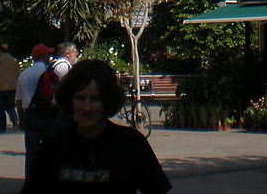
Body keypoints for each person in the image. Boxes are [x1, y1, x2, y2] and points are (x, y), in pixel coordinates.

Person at [22, 58, 171, 193]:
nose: (87, 108)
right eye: (80, 98)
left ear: (107, 101)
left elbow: (157, 188)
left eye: (95, 99)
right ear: (70, 100)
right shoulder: (53, 148)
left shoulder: (131, 144)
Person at [16, 44, 55, 178]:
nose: (49, 57)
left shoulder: (24, 74)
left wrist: (20, 119)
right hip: (47, 114)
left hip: (29, 114)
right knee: (49, 150)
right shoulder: (49, 73)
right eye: (48, 54)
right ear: (44, 56)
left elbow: (19, 100)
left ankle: (30, 180)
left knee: (31, 151)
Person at [0, 43, 20, 133]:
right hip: (12, 88)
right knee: (10, 107)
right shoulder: (14, 60)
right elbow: (18, 75)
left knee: (0, 110)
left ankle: (1, 128)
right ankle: (14, 122)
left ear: (0, 51)